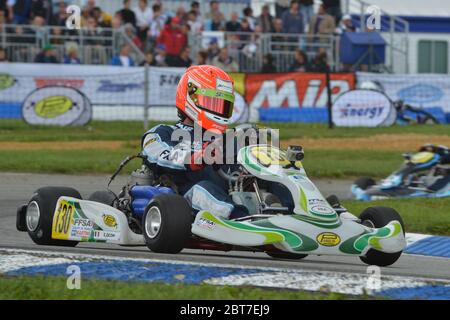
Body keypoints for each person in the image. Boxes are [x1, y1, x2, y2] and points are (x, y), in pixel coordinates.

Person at [141, 65, 249, 219]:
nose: (217, 109)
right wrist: (195, 157)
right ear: (191, 98)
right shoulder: (164, 132)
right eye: (212, 103)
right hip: (183, 200)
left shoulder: (228, 140)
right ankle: (241, 221)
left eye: (222, 105)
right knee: (204, 188)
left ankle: (288, 215)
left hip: (227, 194)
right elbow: (157, 154)